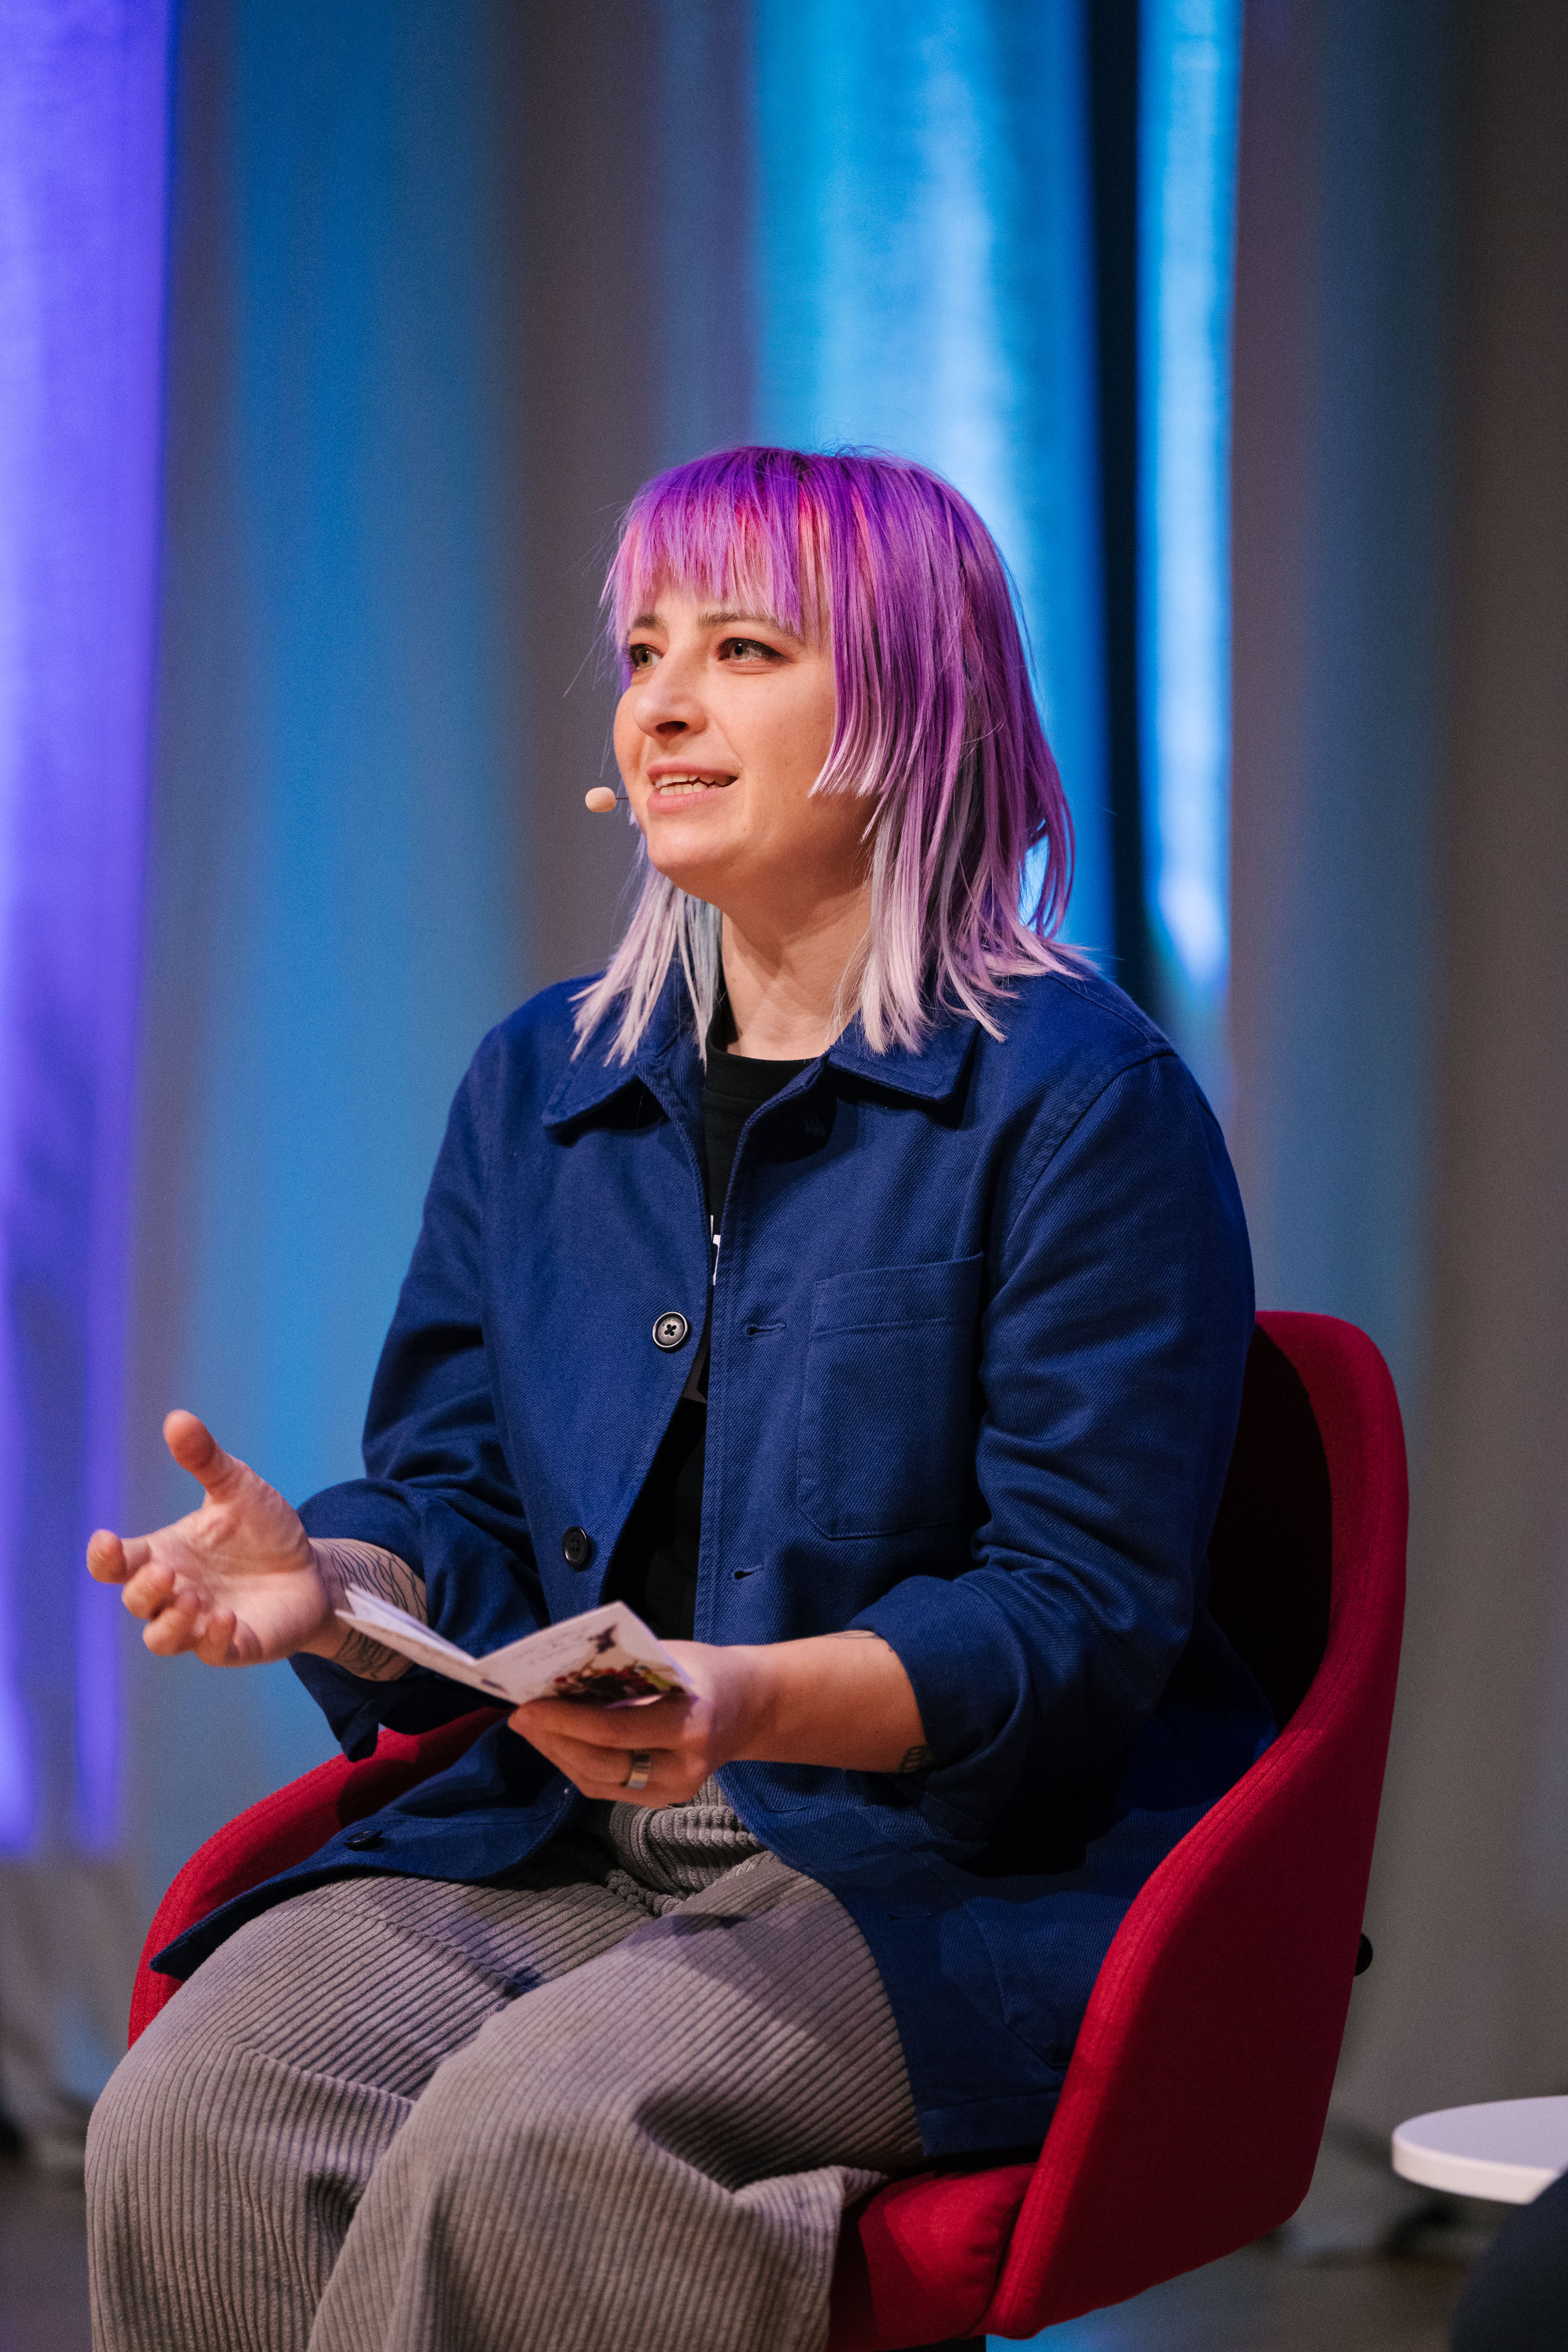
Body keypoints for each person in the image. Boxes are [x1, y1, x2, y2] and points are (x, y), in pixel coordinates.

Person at [85, 446, 1271, 2352]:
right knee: (199, 2108)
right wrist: (337, 1583)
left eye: (744, 649)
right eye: (645, 652)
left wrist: (745, 1697)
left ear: (913, 711)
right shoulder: (541, 1082)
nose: (663, 702)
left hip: (935, 1878)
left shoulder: (1079, 1101)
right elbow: (464, 1505)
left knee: (531, 2144)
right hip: (558, 1842)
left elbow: (1075, 1616)